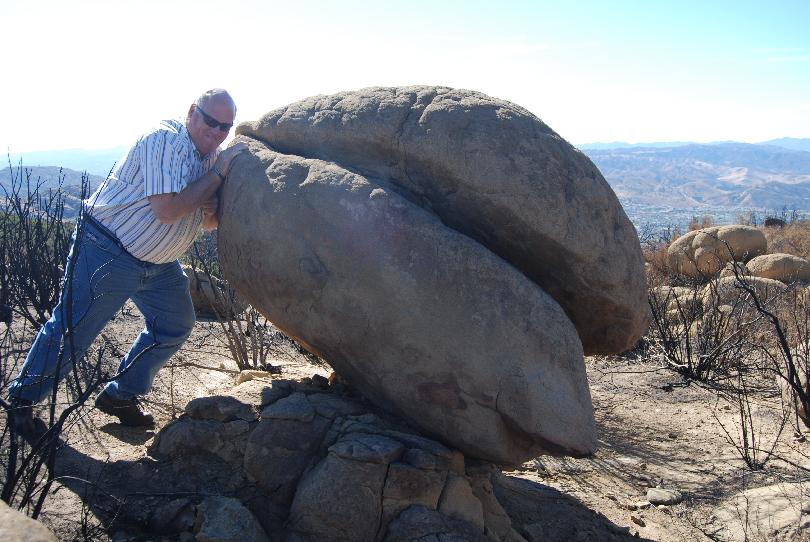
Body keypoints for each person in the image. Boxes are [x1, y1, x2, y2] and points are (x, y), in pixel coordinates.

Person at [7, 89, 247, 438]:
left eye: (226, 127)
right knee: (73, 330)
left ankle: (120, 395)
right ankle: (21, 402)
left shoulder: (210, 158)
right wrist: (217, 178)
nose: (217, 132)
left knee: (175, 324)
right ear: (192, 111)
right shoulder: (164, 140)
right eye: (211, 121)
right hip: (107, 249)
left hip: (160, 264)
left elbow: (206, 221)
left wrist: (210, 203)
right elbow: (167, 210)